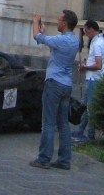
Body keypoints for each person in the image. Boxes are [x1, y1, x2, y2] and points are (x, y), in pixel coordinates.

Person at [30, 9, 81, 171]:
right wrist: (43, 31)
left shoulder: (61, 40)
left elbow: (37, 37)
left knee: (48, 123)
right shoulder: (75, 40)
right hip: (66, 84)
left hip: (54, 83)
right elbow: (52, 45)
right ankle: (64, 160)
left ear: (65, 23)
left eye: (59, 20)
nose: (57, 22)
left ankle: (44, 158)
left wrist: (35, 22)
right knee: (63, 124)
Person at [74, 19, 104, 143]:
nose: (85, 33)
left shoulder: (97, 44)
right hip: (94, 78)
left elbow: (98, 65)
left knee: (90, 108)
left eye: (86, 30)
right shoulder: (101, 41)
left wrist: (85, 67)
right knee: (86, 106)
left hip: (94, 79)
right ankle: (81, 130)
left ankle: (90, 135)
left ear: (91, 29)